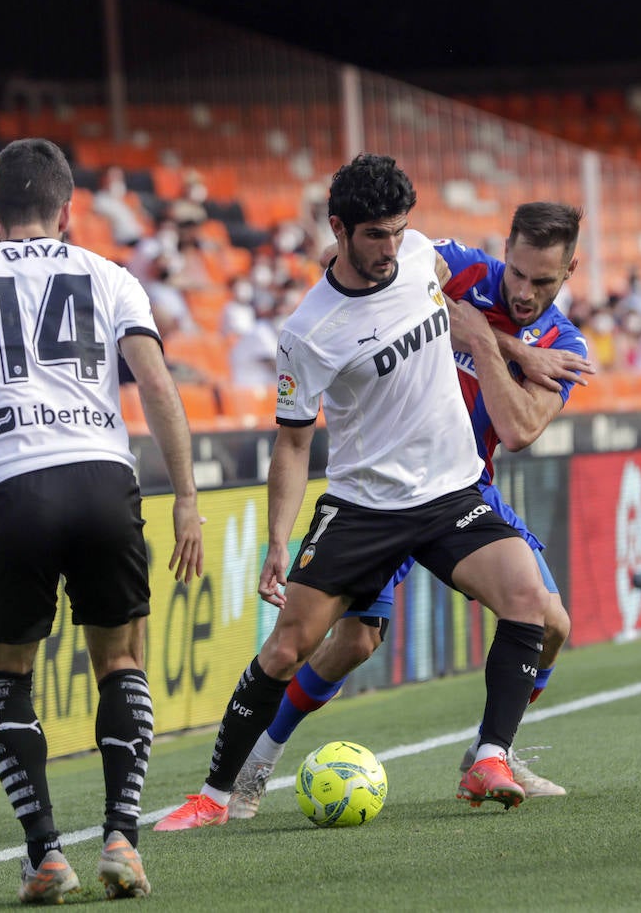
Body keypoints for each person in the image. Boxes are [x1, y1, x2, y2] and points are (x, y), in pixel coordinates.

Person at [155, 154, 554, 832]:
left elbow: (489, 295)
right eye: (374, 235)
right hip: (365, 507)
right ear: (340, 228)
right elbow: (291, 442)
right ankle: (216, 797)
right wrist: (278, 540)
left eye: (398, 231)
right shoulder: (309, 333)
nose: (390, 248)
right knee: (288, 648)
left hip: (453, 492)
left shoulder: (424, 256)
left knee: (530, 604)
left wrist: (523, 354)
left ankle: (490, 756)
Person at [0, 138, 204, 903]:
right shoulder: (111, 277)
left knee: (6, 679)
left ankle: (45, 853)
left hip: (6, 486)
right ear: (68, 211)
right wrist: (189, 499)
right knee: (121, 661)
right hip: (103, 480)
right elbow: (157, 384)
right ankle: (122, 840)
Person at [227, 202, 596, 820]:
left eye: (544, 281)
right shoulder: (461, 268)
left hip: (464, 488)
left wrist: (485, 340)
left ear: (571, 271)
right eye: (518, 273)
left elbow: (518, 426)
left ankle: (490, 750)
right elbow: (339, 265)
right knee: (352, 642)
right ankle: (256, 762)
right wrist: (506, 345)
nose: (525, 292)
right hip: (384, 484)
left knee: (551, 623)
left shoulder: (562, 344)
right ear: (504, 249)